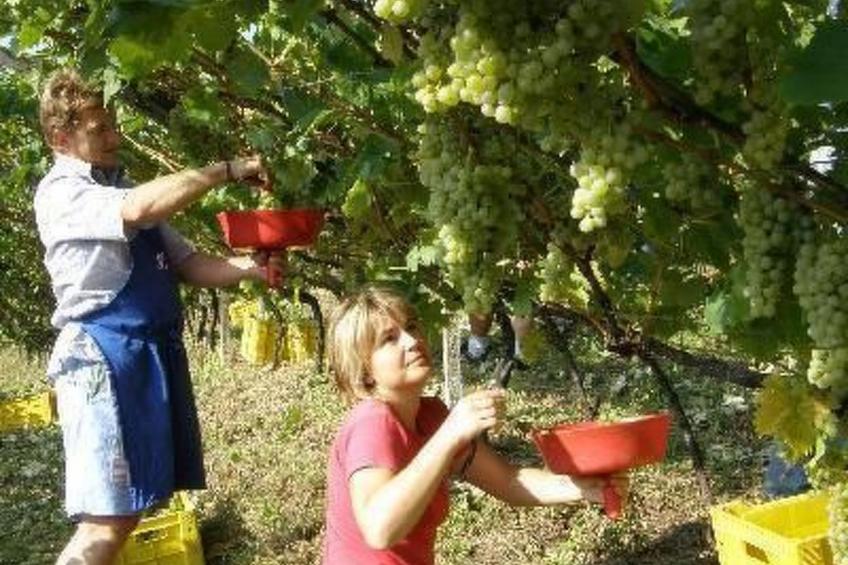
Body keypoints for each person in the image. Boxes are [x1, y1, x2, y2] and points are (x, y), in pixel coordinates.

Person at [34, 69, 284, 565]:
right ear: (62, 138)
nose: (114, 137)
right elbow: (137, 208)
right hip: (101, 362)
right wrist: (226, 170)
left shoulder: (116, 184)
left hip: (141, 358)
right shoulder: (64, 192)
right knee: (105, 522)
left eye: (114, 124)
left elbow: (187, 264)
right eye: (99, 128)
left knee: (125, 514)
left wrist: (250, 269)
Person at [322, 287, 628, 564]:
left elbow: (508, 482)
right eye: (389, 339)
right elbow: (379, 530)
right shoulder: (371, 422)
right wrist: (450, 434)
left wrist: (583, 487)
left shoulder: (430, 416)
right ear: (364, 369)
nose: (413, 340)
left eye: (412, 327)